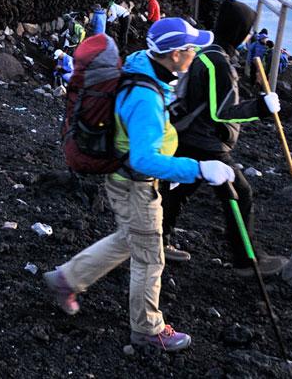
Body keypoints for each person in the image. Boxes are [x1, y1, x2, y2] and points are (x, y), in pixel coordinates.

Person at [43, 18, 235, 352]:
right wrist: (200, 168)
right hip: (136, 185)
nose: (195, 54)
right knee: (150, 258)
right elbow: (144, 159)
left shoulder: (142, 66)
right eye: (191, 48)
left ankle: (66, 279)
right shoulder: (145, 98)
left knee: (128, 240)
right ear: (175, 54)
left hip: (122, 180)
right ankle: (147, 330)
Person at [160, 0, 286, 274]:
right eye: (248, 30)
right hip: (207, 141)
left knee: (179, 189)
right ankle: (246, 260)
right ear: (238, 31)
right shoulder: (218, 61)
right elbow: (221, 112)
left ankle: (158, 242)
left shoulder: (207, 52)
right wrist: (260, 108)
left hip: (189, 134)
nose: (250, 36)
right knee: (240, 193)